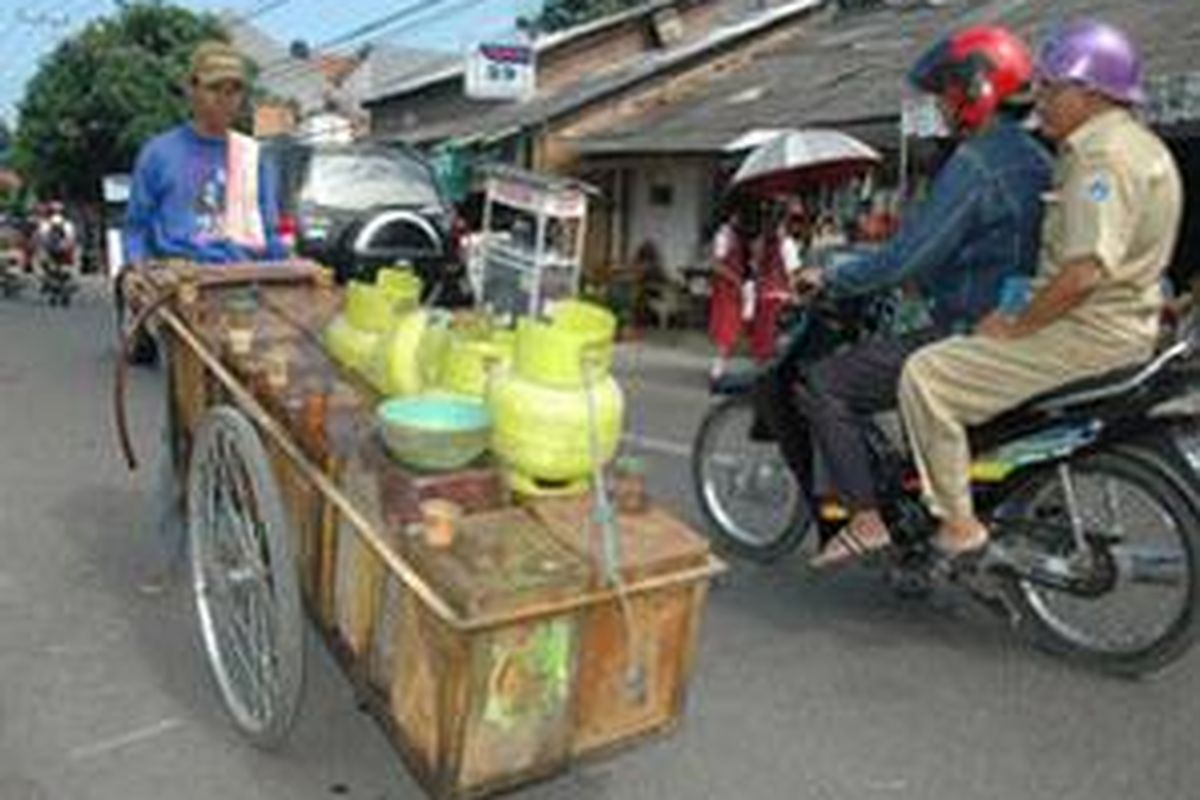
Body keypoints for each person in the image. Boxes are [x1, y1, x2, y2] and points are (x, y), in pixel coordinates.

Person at [897, 20, 1184, 558]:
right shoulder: (1141, 148)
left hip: (1085, 335)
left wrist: (1014, 326)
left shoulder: (1101, 159)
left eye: (1052, 88)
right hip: (1121, 327)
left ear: (1091, 93)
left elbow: (1083, 272)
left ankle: (959, 526)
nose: (1040, 100)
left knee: (927, 375)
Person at [778, 25, 1055, 568]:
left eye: (946, 93)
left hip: (970, 327)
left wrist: (831, 276)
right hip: (1021, 321)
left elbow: (909, 256)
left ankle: (865, 518)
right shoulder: (1035, 157)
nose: (942, 107)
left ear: (975, 91)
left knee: (826, 383)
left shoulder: (977, 163)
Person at [122, 40, 285, 592]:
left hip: (243, 300)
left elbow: (268, 234)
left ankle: (242, 544)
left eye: (235, 88)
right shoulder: (160, 154)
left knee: (250, 429)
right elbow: (137, 228)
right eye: (215, 87)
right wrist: (137, 282)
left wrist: (286, 275)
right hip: (184, 303)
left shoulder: (251, 157)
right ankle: (169, 556)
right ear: (192, 89)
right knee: (182, 429)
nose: (226, 98)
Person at [708, 206, 751, 381]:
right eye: (738, 216)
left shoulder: (734, 236)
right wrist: (735, 279)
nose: (740, 220)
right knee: (727, 328)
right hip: (727, 288)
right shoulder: (723, 236)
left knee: (731, 328)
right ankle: (717, 368)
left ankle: (720, 366)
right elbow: (717, 264)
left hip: (733, 288)